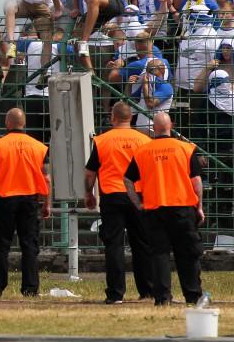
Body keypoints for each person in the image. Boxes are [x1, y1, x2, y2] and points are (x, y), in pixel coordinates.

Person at [124, 112, 205, 306]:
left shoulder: (143, 151)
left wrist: (138, 203)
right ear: (172, 126)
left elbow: (127, 179)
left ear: (153, 128)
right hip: (182, 207)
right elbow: (196, 181)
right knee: (187, 253)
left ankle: (162, 298)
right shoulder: (186, 148)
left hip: (154, 209)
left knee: (159, 254)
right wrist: (199, 207)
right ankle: (192, 296)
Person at [84, 102, 154, 304]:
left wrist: (89, 193)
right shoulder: (144, 140)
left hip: (112, 194)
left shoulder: (102, 140)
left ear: (112, 117)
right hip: (138, 195)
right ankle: (147, 290)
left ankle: (115, 293)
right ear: (131, 117)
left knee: (113, 245)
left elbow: (90, 173)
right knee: (142, 243)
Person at [0, 108, 51, 298]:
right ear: (24, 123)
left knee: (1, 245)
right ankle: (30, 288)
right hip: (30, 199)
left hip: (5, 199)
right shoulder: (38, 147)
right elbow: (47, 178)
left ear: (8, 123)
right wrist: (47, 203)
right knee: (29, 245)